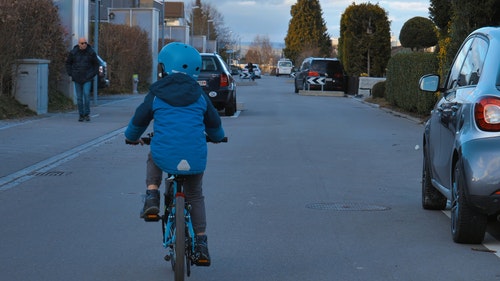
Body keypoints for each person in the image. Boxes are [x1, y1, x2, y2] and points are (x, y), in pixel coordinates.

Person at [125, 42, 225, 266]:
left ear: (165, 67)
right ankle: (201, 245)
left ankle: (152, 195)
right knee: (196, 195)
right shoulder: (199, 95)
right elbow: (214, 124)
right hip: (194, 155)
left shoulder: (157, 93)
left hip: (165, 152)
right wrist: (218, 137)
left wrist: (131, 137)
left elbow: (139, 119)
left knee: (154, 154)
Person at [65, 37, 99, 122]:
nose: (84, 45)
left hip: (87, 77)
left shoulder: (91, 52)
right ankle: (81, 114)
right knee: (79, 98)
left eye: (85, 43)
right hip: (77, 78)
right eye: (82, 43)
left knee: (86, 95)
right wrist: (71, 73)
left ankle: (86, 114)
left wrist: (92, 74)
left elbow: (96, 65)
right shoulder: (73, 52)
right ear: (79, 44)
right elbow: (68, 63)